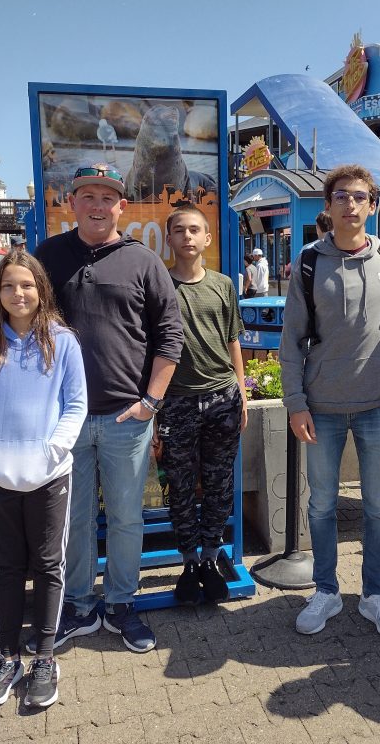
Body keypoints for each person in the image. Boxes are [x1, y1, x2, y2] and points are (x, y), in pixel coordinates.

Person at [278, 164, 380, 642]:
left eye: (360, 197)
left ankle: (374, 594)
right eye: (341, 196)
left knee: (378, 505)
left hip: (377, 404)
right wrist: (295, 403)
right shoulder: (308, 262)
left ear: (373, 205)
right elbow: (290, 342)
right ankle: (326, 590)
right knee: (322, 504)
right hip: (321, 406)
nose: (351, 205)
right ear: (328, 206)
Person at [35, 163, 183, 654]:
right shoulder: (48, 258)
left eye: (108, 197)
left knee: (125, 518)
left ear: (123, 206)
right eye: (87, 195)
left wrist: (151, 401)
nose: (97, 205)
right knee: (73, 520)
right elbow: (26, 328)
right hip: (67, 419)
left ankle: (121, 603)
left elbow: (169, 336)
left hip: (128, 418)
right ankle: (78, 605)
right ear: (71, 203)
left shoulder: (144, 261)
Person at [0, 251, 87, 709]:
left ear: (41, 288)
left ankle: (45, 658)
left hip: (50, 475)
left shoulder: (62, 341)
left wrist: (55, 450)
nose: (19, 293)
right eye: (9, 285)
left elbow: (75, 404)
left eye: (27, 285)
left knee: (50, 566)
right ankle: (8, 657)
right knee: (8, 569)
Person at [155, 205, 246, 605]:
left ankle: (211, 556)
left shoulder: (223, 285)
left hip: (222, 397)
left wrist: (241, 392)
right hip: (176, 402)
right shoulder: (157, 286)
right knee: (179, 483)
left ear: (208, 238)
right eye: (180, 230)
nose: (188, 237)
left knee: (219, 483)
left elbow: (233, 340)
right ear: (170, 238)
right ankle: (189, 560)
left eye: (195, 230)